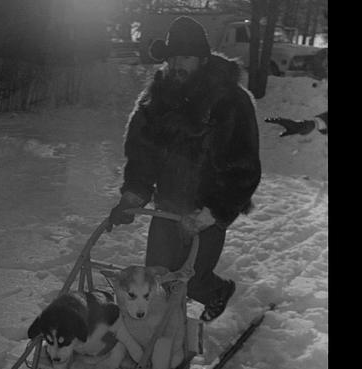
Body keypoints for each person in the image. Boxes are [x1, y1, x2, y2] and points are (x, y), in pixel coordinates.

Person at [107, 16, 261, 322]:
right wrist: (132, 197)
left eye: (187, 57)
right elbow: (142, 157)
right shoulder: (154, 102)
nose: (178, 64)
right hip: (167, 208)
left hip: (207, 212)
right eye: (174, 57)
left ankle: (216, 291)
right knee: (157, 281)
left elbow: (245, 170)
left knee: (191, 281)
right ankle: (158, 347)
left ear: (203, 59)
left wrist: (210, 212)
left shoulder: (230, 101)